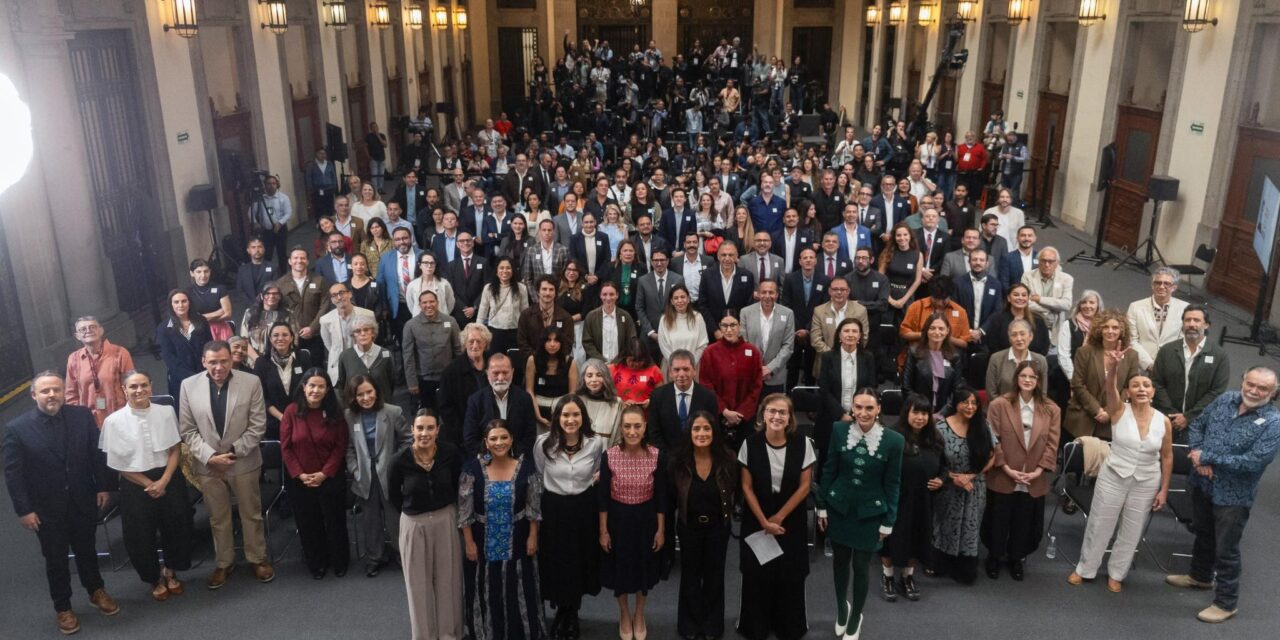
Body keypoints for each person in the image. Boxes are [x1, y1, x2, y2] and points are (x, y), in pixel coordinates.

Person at [3, 372, 119, 634]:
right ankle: (63, 607)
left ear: (63, 391)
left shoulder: (81, 416)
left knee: (87, 550)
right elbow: (13, 475)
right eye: (45, 391)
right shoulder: (17, 429)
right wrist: (24, 510)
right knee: (55, 559)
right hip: (45, 509)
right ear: (34, 395)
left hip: (82, 499)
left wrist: (102, 486)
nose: (51, 395)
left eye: (56, 389)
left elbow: (95, 454)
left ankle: (95, 590)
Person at [1166, 367, 1280, 623]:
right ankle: (1200, 577)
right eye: (1250, 383)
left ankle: (1226, 603)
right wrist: (1197, 454)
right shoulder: (1225, 399)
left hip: (1233, 496)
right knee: (1202, 533)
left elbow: (1254, 461)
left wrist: (1209, 458)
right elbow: (1197, 426)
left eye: (1262, 388)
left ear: (1272, 393)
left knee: (1226, 549)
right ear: (1243, 381)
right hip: (1202, 483)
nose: (1253, 390)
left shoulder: (1273, 423)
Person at [1069, 360, 1172, 591]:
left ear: (1153, 392)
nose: (1142, 389)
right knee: (1100, 523)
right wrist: (1114, 368)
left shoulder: (1163, 421)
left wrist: (1164, 490)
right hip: (1114, 476)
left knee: (1132, 529)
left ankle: (1117, 573)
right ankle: (1085, 569)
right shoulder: (1118, 410)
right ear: (1127, 392)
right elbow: (1109, 387)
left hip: (1146, 481)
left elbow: (1167, 457)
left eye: (1147, 385)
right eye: (1136, 385)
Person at [178, 341, 274, 588]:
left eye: (223, 361)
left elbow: (257, 426)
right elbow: (187, 430)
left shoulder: (250, 382)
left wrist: (231, 453)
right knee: (218, 517)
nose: (218, 367)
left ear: (231, 359)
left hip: (243, 461)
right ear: (203, 362)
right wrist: (210, 456)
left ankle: (257, 559)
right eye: (213, 362)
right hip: (208, 465)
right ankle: (224, 562)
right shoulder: (188, 386)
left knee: (250, 514)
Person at [99, 370, 193, 601]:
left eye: (144, 385)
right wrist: (149, 484)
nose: (139, 390)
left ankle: (171, 571)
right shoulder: (113, 422)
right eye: (133, 387)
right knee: (140, 534)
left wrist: (164, 480)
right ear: (124, 389)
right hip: (135, 482)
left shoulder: (166, 411)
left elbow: (175, 448)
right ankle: (153, 578)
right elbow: (118, 464)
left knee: (177, 524)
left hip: (168, 476)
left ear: (151, 386)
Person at [458, 419, 546, 640]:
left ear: (512, 439)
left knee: (519, 588)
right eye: (494, 438)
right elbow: (464, 511)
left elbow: (533, 507)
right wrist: (468, 542)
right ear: (486, 442)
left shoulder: (525, 468)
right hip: (481, 542)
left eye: (504, 437)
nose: (499, 442)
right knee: (487, 589)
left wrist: (533, 536)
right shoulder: (472, 470)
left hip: (518, 539)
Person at [737, 394, 815, 640]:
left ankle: (788, 626)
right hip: (756, 519)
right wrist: (764, 522)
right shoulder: (750, 443)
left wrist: (778, 518)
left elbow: (805, 487)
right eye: (772, 411)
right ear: (763, 414)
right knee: (757, 574)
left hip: (790, 519)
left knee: (790, 574)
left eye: (782, 412)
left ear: (790, 417)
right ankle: (755, 625)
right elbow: (746, 487)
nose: (777, 416)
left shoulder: (803, 444)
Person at [533, 395, 607, 639]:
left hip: (583, 509)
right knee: (556, 561)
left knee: (578, 562)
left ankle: (572, 613)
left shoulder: (595, 443)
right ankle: (560, 614)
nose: (570, 419)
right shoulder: (543, 443)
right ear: (557, 418)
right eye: (565, 415)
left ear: (583, 417)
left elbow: (597, 472)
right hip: (554, 509)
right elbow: (541, 474)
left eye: (575, 414)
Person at [390, 409, 465, 640]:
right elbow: (394, 495)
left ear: (438, 430)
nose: (425, 433)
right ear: (412, 430)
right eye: (420, 428)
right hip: (414, 524)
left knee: (448, 580)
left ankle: (449, 634)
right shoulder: (399, 459)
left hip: (445, 520)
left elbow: (458, 485)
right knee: (418, 585)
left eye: (430, 428)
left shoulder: (450, 453)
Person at [983, 361, 1061, 581]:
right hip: (1004, 472)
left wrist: (1038, 471)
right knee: (998, 517)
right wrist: (1006, 468)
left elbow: (1053, 444)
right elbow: (993, 439)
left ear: (1038, 381)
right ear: (1016, 378)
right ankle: (994, 557)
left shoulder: (1051, 409)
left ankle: (1016, 558)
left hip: (1032, 476)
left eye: (1033, 377)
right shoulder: (999, 404)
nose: (1028, 380)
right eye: (1023, 376)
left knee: (1024, 520)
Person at [598, 405, 667, 640]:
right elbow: (603, 498)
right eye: (627, 426)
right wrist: (603, 531)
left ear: (645, 427)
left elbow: (661, 497)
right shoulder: (609, 456)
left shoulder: (657, 455)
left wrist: (661, 530)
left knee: (643, 569)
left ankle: (639, 613)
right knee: (621, 570)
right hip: (618, 520)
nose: (632, 431)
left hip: (646, 519)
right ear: (621, 428)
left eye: (637, 426)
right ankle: (624, 613)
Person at [669, 410, 736, 639]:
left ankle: (712, 625)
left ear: (714, 432)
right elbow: (670, 498)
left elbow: (737, 493)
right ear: (689, 432)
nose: (701, 433)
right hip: (689, 527)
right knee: (690, 575)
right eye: (696, 429)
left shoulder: (728, 459)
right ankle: (689, 625)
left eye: (706, 428)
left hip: (718, 527)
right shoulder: (678, 462)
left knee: (715, 576)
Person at [280, 368, 350, 579]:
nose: (316, 390)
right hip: (300, 479)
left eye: (321, 386)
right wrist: (300, 474)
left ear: (328, 389)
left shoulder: (336, 413)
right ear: (304, 387)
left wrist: (324, 473)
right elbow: (286, 447)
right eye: (312, 385)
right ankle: (316, 563)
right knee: (308, 523)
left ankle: (340, 561)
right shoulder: (291, 412)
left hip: (330, 476)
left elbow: (341, 447)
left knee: (335, 521)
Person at [877, 394, 943, 601]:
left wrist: (941, 479)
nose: (920, 417)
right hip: (897, 498)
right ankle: (888, 577)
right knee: (890, 539)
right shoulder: (892, 436)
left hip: (923, 500)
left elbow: (945, 466)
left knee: (917, 537)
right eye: (916, 412)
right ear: (907, 412)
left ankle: (907, 577)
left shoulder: (934, 438)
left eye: (925, 413)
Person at [344, 374, 410, 577]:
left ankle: (403, 555)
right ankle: (375, 557)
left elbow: (407, 440)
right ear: (353, 396)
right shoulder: (349, 416)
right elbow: (349, 448)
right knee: (370, 520)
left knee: (394, 519)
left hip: (389, 474)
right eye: (360, 394)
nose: (365, 397)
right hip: (364, 475)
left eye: (369, 392)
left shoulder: (392, 412)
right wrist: (355, 469)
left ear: (377, 391)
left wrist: (397, 465)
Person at [931, 387, 994, 584]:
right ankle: (941, 564)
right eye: (965, 402)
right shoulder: (940, 428)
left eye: (974, 403)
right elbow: (933, 461)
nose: (970, 407)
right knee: (945, 524)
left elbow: (993, 457)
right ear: (956, 404)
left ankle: (964, 568)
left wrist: (971, 476)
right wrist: (953, 477)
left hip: (975, 487)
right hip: (949, 486)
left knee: (970, 525)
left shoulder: (983, 426)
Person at [1151, 305, 1230, 444]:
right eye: (1187, 320)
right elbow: (1157, 383)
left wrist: (1188, 417)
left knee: (1189, 461)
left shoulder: (1219, 355)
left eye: (1196, 320)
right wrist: (1172, 415)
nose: (1191, 324)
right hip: (1165, 418)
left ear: (1206, 325)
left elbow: (1217, 391)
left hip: (1199, 423)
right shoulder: (1167, 351)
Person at [1066, 309, 1143, 440]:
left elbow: (1129, 388)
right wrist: (1097, 410)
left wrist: (1109, 411)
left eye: (1115, 328)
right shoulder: (1084, 352)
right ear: (1099, 329)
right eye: (1106, 327)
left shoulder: (1131, 356)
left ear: (1122, 331)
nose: (1110, 331)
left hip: (1113, 420)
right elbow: (1077, 385)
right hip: (1084, 417)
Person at [699, 311, 763, 449]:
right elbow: (706, 384)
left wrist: (741, 413)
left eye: (733, 325)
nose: (729, 330)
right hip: (717, 417)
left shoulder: (753, 352)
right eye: (724, 325)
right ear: (719, 327)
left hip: (745, 418)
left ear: (739, 326)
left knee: (745, 456)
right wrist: (724, 411)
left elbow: (757, 385)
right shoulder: (710, 352)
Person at [65, 315, 135, 428]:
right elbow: (71, 394)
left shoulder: (120, 353)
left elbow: (132, 386)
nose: (88, 331)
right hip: (89, 421)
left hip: (119, 417)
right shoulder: (73, 359)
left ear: (101, 330)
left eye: (93, 327)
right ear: (77, 336)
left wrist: (131, 414)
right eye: (83, 329)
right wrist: (78, 418)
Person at [462, 353, 539, 457]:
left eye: (505, 372)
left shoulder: (524, 398)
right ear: (487, 373)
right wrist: (489, 459)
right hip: (486, 460)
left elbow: (530, 435)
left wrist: (513, 458)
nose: (501, 378)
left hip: (517, 459)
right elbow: (470, 438)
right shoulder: (475, 401)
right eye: (496, 373)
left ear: (512, 372)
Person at [252, 321, 312, 437]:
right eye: (275, 335)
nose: (280, 338)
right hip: (274, 421)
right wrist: (282, 417)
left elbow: (309, 387)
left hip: (302, 416)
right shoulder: (261, 363)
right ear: (270, 339)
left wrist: (298, 415)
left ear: (291, 338)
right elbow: (261, 396)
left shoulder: (303, 358)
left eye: (285, 335)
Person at [1127, 267, 1191, 370]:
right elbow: (1132, 340)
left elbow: (1184, 340)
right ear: (1152, 285)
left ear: (1174, 287)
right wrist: (1149, 364)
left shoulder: (1185, 308)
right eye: (1158, 283)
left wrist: (1168, 363)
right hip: (1141, 366)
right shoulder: (1135, 307)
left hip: (1170, 366)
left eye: (1167, 283)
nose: (1161, 286)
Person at [740, 279, 795, 396]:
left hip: (776, 374)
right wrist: (758, 369)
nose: (767, 296)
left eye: (771, 292)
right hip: (751, 373)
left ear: (777, 294)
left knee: (774, 411)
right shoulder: (745, 312)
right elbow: (743, 344)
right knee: (751, 413)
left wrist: (770, 368)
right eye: (764, 292)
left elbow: (788, 346)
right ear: (758, 294)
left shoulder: (788, 313)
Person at [157, 289, 214, 401]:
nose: (180, 305)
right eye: (176, 302)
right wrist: (191, 378)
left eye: (184, 301)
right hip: (180, 379)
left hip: (204, 375)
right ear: (171, 305)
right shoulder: (163, 329)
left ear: (189, 302)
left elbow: (209, 347)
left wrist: (205, 373)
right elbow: (169, 358)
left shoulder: (201, 321)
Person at [901, 313, 963, 416]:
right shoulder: (914, 353)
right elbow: (906, 387)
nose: (937, 332)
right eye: (932, 328)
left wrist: (942, 414)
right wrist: (922, 411)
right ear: (926, 331)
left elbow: (956, 391)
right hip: (917, 412)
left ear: (947, 331)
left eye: (941, 329)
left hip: (945, 414)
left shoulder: (954, 357)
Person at [277, 247, 330, 359]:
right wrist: (292, 329)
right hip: (292, 336)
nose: (299, 261)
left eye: (303, 258)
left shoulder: (319, 280)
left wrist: (312, 327)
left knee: (317, 366)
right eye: (295, 258)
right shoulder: (281, 283)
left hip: (316, 334)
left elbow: (325, 305)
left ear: (308, 261)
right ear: (290, 261)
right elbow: (280, 309)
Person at [319, 283, 376, 384]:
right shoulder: (325, 320)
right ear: (332, 300)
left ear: (350, 294)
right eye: (334, 295)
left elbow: (372, 338)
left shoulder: (368, 315)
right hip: (339, 367)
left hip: (363, 364)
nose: (339, 297)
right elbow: (329, 344)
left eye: (342, 293)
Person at [477, 257, 530, 356]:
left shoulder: (521, 288)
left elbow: (525, 314)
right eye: (501, 268)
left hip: (514, 332)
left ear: (513, 270)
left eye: (508, 268)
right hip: (494, 333)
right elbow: (482, 313)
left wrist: (525, 334)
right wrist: (479, 333)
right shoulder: (488, 288)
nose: (505, 271)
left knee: (514, 362)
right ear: (496, 271)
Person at [526, 328, 579, 426]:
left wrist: (564, 415)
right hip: (537, 407)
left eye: (556, 340)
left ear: (561, 343)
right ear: (543, 342)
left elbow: (572, 393)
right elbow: (529, 391)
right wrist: (538, 416)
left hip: (562, 409)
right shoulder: (532, 360)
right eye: (548, 340)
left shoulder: (570, 362)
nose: (552, 344)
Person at [985, 319, 1050, 397]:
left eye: (1022, 334)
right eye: (1014, 335)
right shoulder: (996, 359)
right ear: (1009, 338)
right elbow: (991, 393)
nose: (1019, 339)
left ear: (1031, 337)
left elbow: (1042, 394)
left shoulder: (1040, 360)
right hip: (1002, 407)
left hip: (1031, 408)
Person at [582, 280, 638, 363]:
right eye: (604, 294)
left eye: (611, 294)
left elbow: (631, 341)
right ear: (600, 296)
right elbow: (587, 342)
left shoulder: (626, 316)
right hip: (597, 365)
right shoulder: (591, 316)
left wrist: (616, 361)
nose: (608, 298)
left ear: (617, 295)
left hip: (620, 365)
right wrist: (601, 361)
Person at [609, 337, 664, 412]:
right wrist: (621, 402)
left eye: (640, 360)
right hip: (620, 413)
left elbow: (662, 395)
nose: (636, 364)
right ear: (625, 356)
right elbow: (606, 393)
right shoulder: (614, 368)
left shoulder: (654, 370)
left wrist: (650, 401)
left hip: (645, 415)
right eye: (632, 360)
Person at [407, 252, 457, 318]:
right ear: (420, 265)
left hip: (441, 321)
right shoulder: (412, 285)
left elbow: (450, 304)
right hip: (420, 322)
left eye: (432, 263)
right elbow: (411, 306)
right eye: (425, 263)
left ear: (435, 265)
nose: (429, 266)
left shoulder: (444, 284)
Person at [236, 236, 277, 303]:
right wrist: (252, 304)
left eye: (260, 247)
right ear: (248, 250)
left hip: (270, 305)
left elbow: (277, 288)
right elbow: (240, 291)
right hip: (249, 306)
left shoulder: (273, 267)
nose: (257, 250)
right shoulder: (242, 270)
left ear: (264, 249)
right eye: (253, 247)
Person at [306, 147, 338, 217]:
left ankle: (330, 220)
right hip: (317, 189)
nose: (323, 155)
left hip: (329, 189)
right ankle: (319, 222)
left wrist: (334, 186)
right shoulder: (312, 165)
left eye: (324, 154)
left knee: (329, 207)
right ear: (317, 154)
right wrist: (311, 189)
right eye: (321, 153)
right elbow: (309, 178)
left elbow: (333, 176)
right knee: (319, 208)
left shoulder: (329, 164)